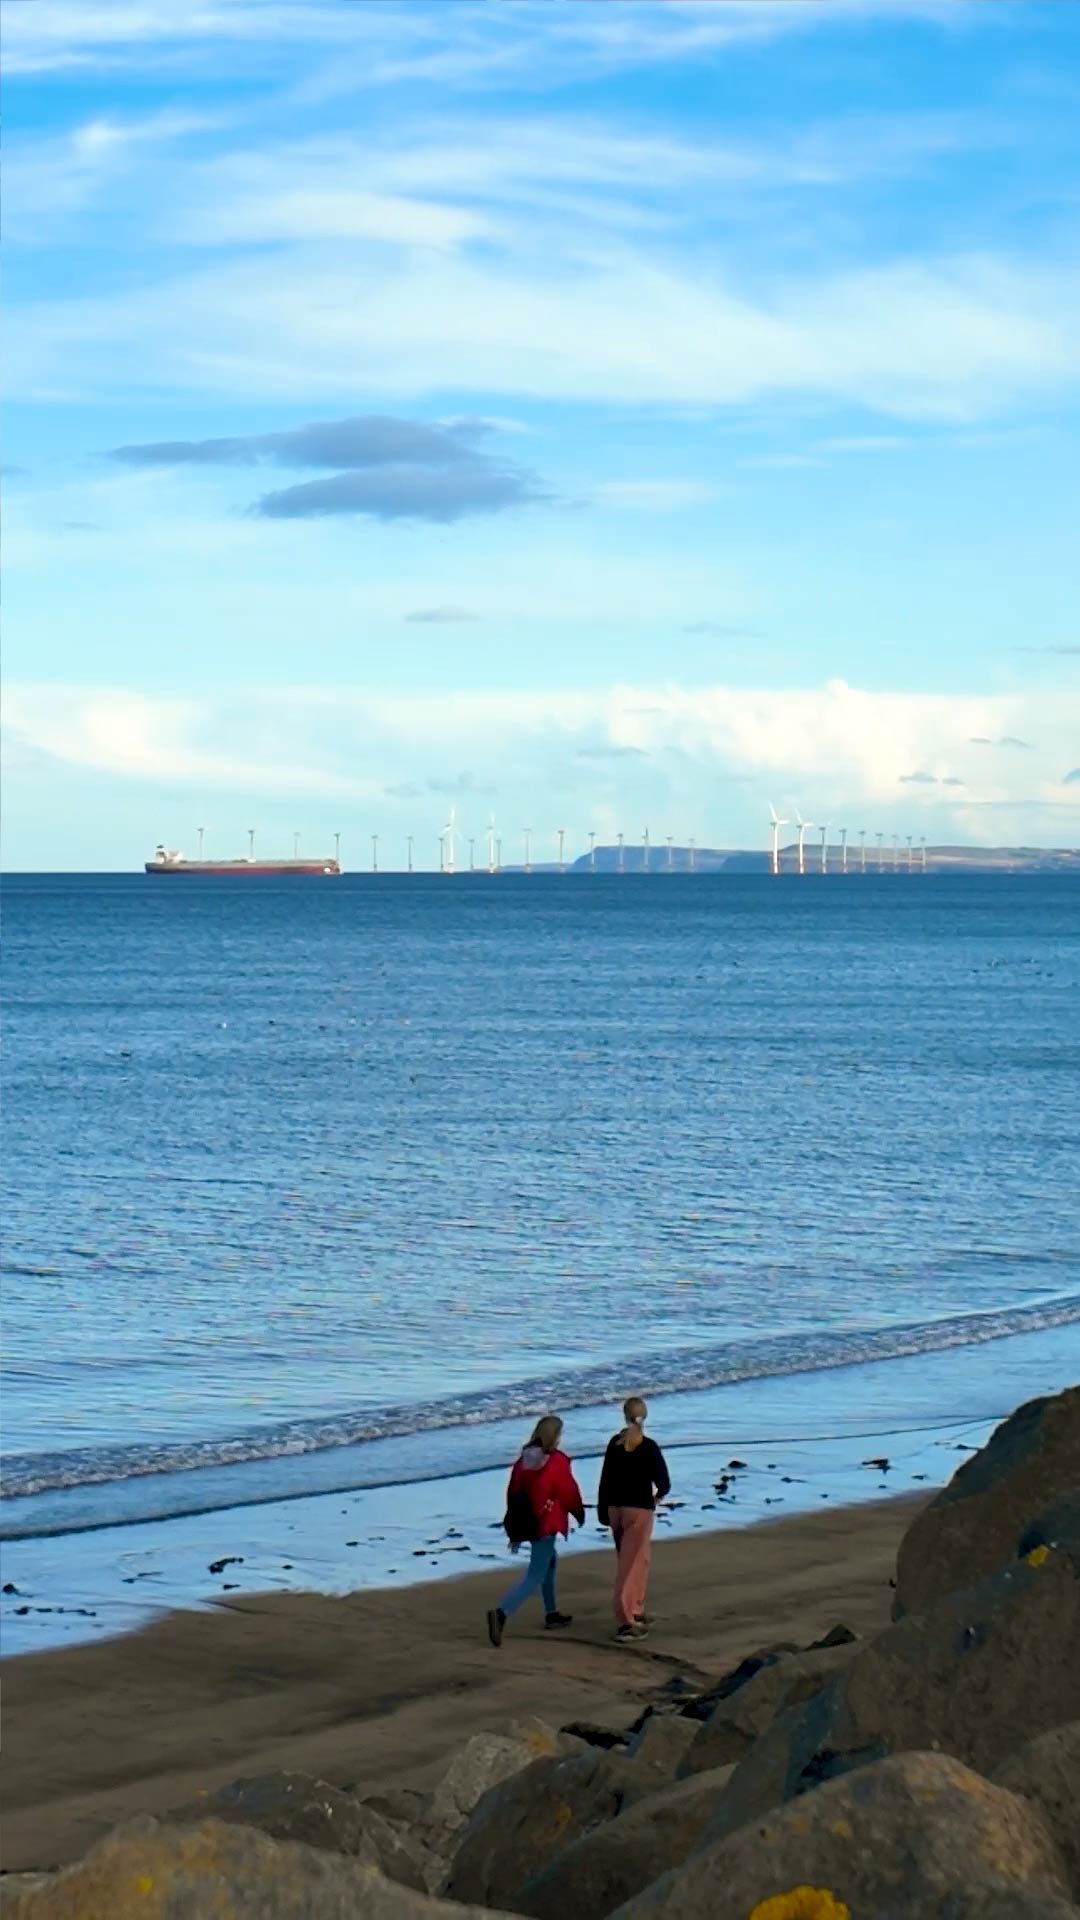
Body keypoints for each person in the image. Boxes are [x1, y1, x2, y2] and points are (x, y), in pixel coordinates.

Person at [487, 1414, 585, 1647]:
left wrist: (514, 1529)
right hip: (545, 1522)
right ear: (555, 1436)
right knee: (536, 1574)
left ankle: (551, 1613)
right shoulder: (556, 1461)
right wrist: (578, 1512)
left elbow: (512, 1493)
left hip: (527, 1520)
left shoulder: (523, 1461)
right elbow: (568, 1491)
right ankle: (501, 1613)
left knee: (549, 1563)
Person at [597, 1396, 670, 1642]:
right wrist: (658, 1497)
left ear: (625, 1416)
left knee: (637, 1560)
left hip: (615, 1508)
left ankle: (635, 1609)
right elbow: (663, 1481)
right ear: (644, 1417)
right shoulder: (648, 1446)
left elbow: (605, 1478)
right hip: (638, 1509)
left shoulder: (615, 1444)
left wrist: (603, 1509)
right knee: (631, 1565)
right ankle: (626, 1620)